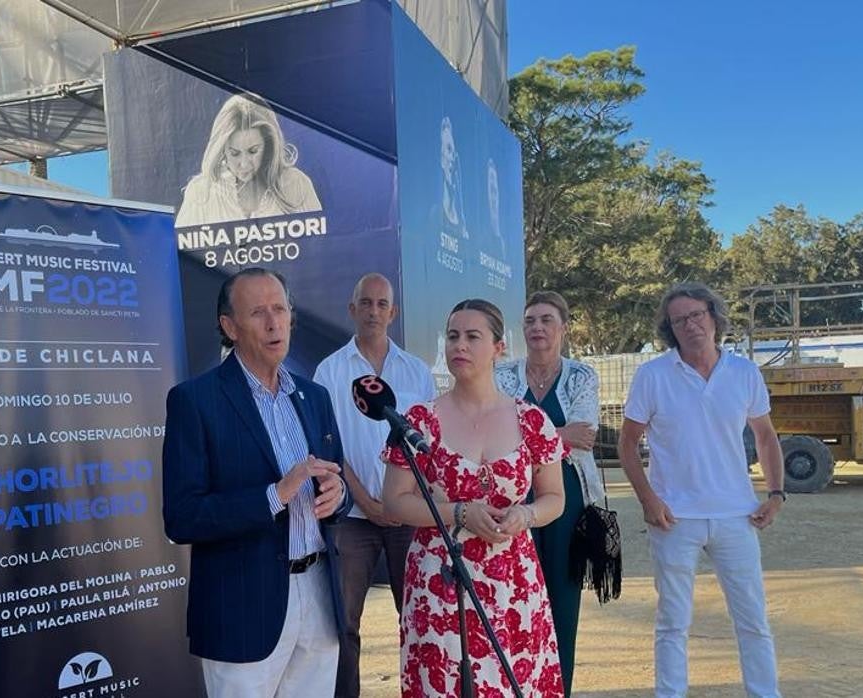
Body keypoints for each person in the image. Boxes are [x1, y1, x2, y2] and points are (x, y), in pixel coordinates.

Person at [162, 267, 351, 697]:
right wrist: (275, 495)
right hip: (242, 608)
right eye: (258, 312)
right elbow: (183, 516)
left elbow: (338, 483)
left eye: (280, 309)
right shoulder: (194, 401)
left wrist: (339, 497)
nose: (274, 323)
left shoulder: (314, 396)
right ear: (229, 326)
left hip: (319, 594)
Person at [382, 299, 569, 697]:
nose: (459, 346)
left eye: (472, 336)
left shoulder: (532, 420)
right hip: (440, 580)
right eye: (452, 337)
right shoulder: (419, 420)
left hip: (513, 585)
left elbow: (555, 498)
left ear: (499, 347)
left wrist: (526, 513)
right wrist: (459, 512)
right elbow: (395, 502)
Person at [618, 282, 786, 698]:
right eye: (679, 320)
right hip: (674, 518)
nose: (690, 325)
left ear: (714, 316)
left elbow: (765, 436)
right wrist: (648, 500)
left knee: (752, 619)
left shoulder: (745, 373)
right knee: (673, 621)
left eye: (697, 315)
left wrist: (777, 493)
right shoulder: (652, 375)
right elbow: (627, 442)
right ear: (669, 329)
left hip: (736, 514)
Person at [313, 273, 437, 698]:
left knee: (418, 619)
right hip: (352, 516)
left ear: (393, 312)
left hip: (407, 516)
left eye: (381, 304)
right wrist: (366, 500)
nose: (373, 311)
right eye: (365, 303)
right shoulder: (329, 371)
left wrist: (402, 501)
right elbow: (328, 444)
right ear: (352, 309)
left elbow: (428, 445)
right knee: (343, 623)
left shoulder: (417, 372)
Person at [493, 291, 602, 693]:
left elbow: (584, 436)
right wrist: (556, 436)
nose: (537, 327)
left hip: (567, 495)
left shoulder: (581, 376)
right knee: (512, 595)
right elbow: (497, 433)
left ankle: (559, 687)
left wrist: (525, 437)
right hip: (511, 496)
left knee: (562, 597)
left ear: (563, 327)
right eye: (530, 321)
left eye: (546, 320)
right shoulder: (503, 375)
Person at [175, 92, 322, 227]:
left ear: (268, 145)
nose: (244, 164)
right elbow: (179, 253)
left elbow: (321, 248)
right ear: (222, 149)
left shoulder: (296, 184)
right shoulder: (201, 192)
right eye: (234, 153)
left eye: (253, 151)